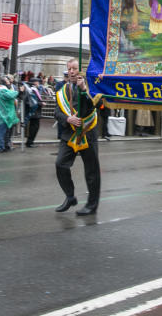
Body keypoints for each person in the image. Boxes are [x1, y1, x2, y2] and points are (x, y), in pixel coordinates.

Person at [53, 59, 101, 215]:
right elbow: (57, 112)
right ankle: (70, 196)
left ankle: (92, 205)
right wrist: (67, 119)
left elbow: (93, 107)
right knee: (60, 164)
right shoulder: (62, 89)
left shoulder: (90, 88)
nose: (71, 71)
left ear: (81, 71)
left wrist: (83, 90)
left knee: (91, 171)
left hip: (88, 132)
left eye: (74, 69)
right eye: (69, 69)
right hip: (69, 133)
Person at [0, 80, 19, 152]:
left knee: (2, 132)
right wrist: (19, 91)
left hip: (2, 115)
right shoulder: (2, 90)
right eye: (7, 81)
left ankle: (1, 146)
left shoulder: (0, 90)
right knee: (1, 132)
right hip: (3, 116)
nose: (9, 82)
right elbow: (11, 95)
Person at [24, 80, 43, 147]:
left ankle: (30, 142)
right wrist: (41, 103)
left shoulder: (33, 90)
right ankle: (29, 142)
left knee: (35, 127)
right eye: (37, 82)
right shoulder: (31, 90)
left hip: (35, 112)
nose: (38, 84)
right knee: (33, 128)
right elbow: (31, 102)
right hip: (33, 112)